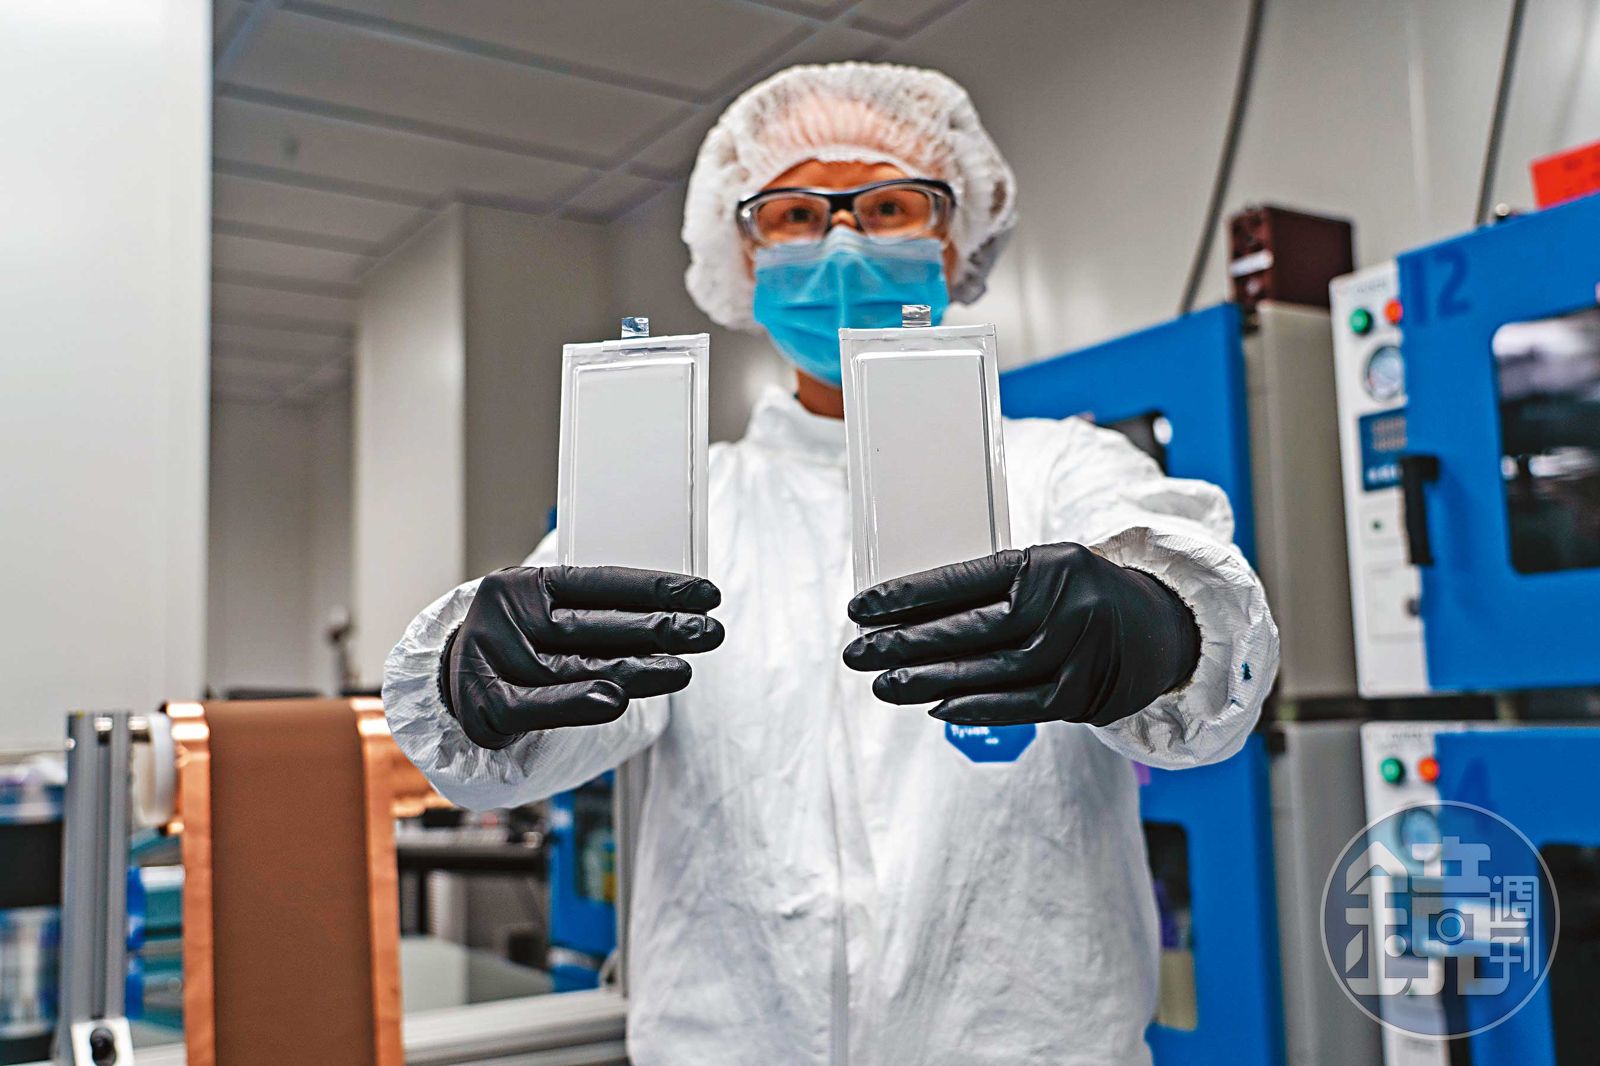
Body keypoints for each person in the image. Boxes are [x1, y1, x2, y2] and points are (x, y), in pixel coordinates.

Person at [385, 62, 1278, 1065]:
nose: (844, 243)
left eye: (889, 205)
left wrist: (1157, 627)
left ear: (955, 236)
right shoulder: (686, 499)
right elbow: (520, 745)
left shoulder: (1060, 468)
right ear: (744, 251)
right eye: (797, 215)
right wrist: (472, 678)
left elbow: (1214, 635)